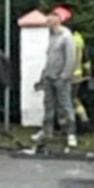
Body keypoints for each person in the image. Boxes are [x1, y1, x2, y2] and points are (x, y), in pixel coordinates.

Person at [32, 9, 78, 148]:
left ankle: (71, 134)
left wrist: (64, 75)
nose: (47, 23)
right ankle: (47, 132)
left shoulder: (66, 36)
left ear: (56, 21)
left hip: (61, 78)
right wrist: (43, 76)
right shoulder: (51, 36)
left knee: (66, 106)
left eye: (49, 21)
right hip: (49, 77)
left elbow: (71, 58)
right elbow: (49, 58)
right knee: (48, 105)